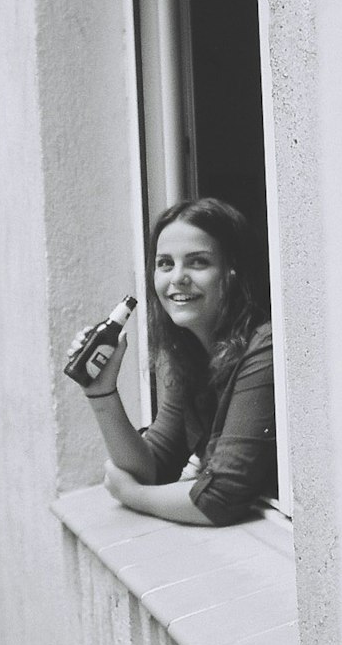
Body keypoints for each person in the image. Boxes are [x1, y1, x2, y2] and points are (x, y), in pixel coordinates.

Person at [66, 197, 276, 525]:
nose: (177, 278)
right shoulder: (186, 352)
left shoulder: (265, 348)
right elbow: (152, 466)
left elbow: (219, 498)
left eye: (198, 262)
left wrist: (131, 495)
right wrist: (101, 391)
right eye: (165, 263)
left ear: (233, 271)